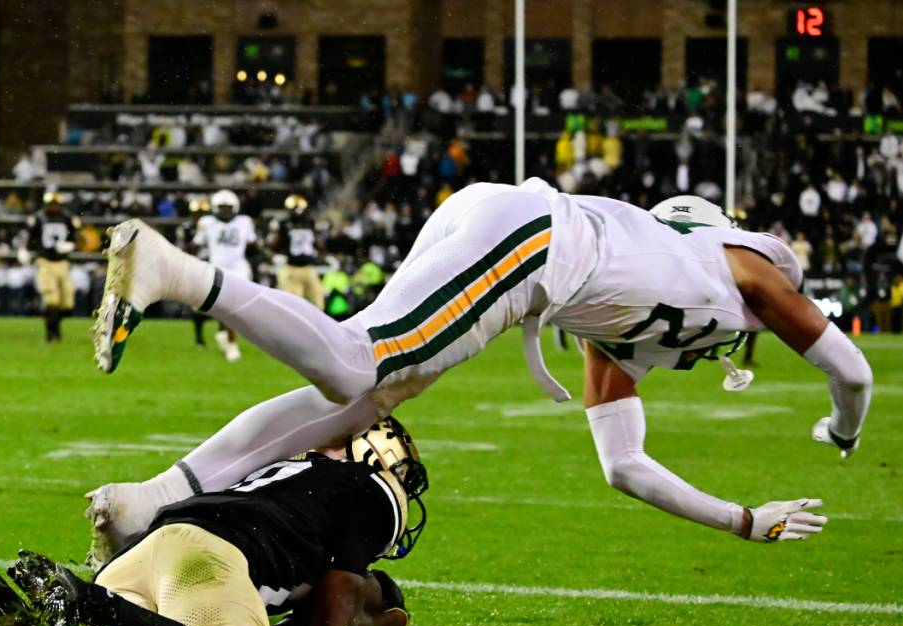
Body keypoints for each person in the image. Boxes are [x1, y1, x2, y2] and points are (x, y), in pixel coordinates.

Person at [90, 183, 872, 548]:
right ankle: (174, 271)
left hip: (519, 238)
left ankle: (153, 498)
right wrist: (840, 430)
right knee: (357, 364)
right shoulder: (740, 267)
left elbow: (624, 466)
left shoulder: (630, 315)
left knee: (369, 397)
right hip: (532, 242)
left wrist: (742, 519)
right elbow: (852, 373)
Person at [0, 418, 428, 626]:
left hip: (144, 553)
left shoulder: (285, 476)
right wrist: (391, 620)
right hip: (209, 560)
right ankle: (89, 601)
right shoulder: (374, 489)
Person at [192, 190, 258, 362]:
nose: (226, 211)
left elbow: (253, 246)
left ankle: (227, 336)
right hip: (217, 269)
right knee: (224, 307)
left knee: (236, 308)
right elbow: (196, 244)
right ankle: (229, 340)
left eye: (228, 208)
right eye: (222, 208)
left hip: (239, 269)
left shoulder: (244, 222)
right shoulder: (207, 223)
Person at [26, 192, 81, 341]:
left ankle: (52, 323)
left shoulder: (68, 218)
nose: (53, 207)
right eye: (51, 204)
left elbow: (77, 239)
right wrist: (27, 251)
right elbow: (31, 240)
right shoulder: (38, 218)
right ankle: (52, 332)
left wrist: (70, 245)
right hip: (45, 261)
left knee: (68, 302)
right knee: (51, 299)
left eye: (56, 204)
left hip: (62, 263)